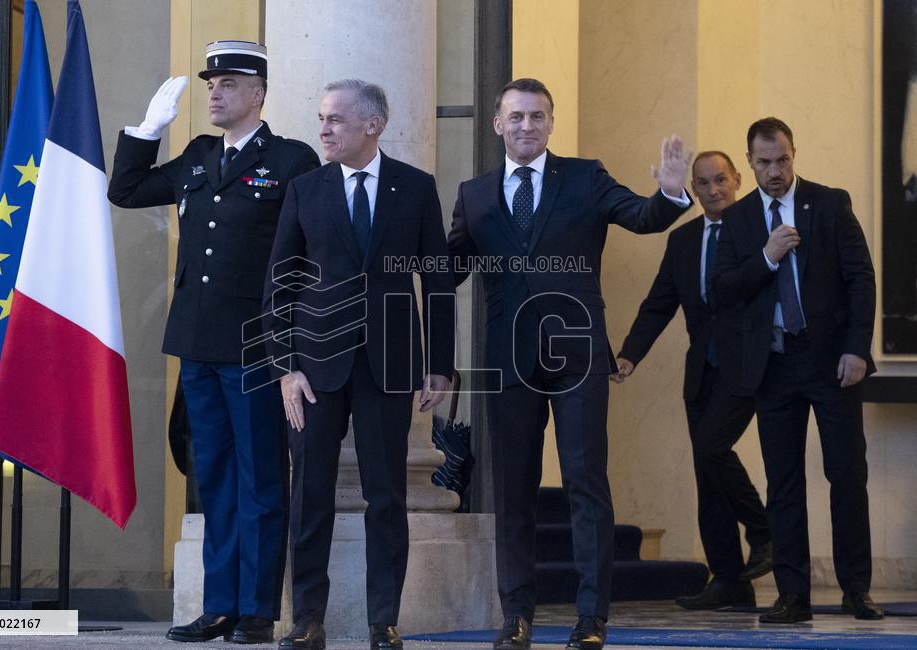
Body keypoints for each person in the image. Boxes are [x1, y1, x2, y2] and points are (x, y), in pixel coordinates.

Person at [447, 77, 692, 650]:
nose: (527, 126)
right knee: (512, 490)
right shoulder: (474, 193)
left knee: (586, 484)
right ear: (497, 124)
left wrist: (673, 195)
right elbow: (447, 268)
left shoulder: (585, 177)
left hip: (578, 353)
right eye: (517, 117)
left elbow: (641, 215)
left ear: (552, 123)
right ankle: (517, 617)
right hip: (508, 360)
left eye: (537, 116)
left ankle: (591, 618)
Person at [107, 41, 320, 644]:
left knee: (260, 478)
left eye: (227, 82)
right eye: (211, 83)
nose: (214, 92)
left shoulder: (291, 159)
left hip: (256, 344)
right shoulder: (199, 155)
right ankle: (219, 602)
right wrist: (146, 131)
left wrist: (293, 346)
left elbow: (305, 253)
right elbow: (126, 191)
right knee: (214, 478)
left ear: (257, 93)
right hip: (197, 340)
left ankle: (257, 608)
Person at [262, 79, 455, 650]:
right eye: (321, 119)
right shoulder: (305, 189)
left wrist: (439, 364)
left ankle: (383, 622)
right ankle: (307, 622)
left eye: (336, 120)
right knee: (311, 496)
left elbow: (437, 283)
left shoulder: (415, 189)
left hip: (388, 367)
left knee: (388, 497)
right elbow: (279, 284)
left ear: (373, 125)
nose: (323, 129)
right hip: (315, 371)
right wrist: (285, 367)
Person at [712, 117, 881, 623]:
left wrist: (856, 349)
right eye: (763, 163)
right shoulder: (739, 220)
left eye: (782, 159)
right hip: (774, 364)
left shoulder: (830, 204)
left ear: (793, 153)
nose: (774, 171)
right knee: (783, 483)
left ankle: (856, 589)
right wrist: (766, 257)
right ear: (749, 163)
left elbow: (861, 279)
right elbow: (721, 291)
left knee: (846, 474)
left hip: (832, 362)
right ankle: (793, 593)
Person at [614, 151, 772, 610]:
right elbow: (659, 303)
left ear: (737, 179)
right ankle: (729, 581)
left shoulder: (759, 230)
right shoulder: (683, 240)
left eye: (721, 179)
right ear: (695, 190)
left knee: (711, 447)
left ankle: (764, 530)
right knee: (707, 473)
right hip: (702, 369)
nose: (714, 190)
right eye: (703, 183)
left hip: (750, 364)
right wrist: (629, 354)